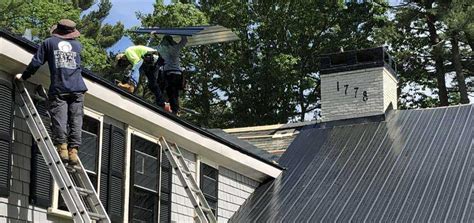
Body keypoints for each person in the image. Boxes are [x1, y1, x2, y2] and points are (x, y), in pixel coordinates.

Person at [15, 19, 86, 165]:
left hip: (60, 88)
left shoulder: (49, 43)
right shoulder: (78, 46)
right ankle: (74, 152)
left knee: (60, 118)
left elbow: (36, 62)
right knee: (76, 120)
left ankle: (63, 149)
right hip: (78, 88)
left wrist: (24, 76)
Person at [115, 45, 171, 112]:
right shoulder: (132, 55)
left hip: (150, 56)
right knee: (152, 83)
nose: (124, 65)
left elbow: (138, 62)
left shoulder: (128, 52)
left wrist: (128, 79)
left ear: (122, 58)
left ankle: (131, 86)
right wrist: (126, 78)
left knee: (137, 66)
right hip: (157, 60)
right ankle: (163, 104)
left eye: (121, 63)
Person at [155, 35, 188, 114]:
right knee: (172, 92)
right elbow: (184, 41)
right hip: (175, 74)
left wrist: (154, 36)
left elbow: (154, 47)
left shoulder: (162, 50)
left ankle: (172, 109)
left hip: (169, 74)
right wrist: (183, 34)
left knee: (169, 91)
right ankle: (174, 109)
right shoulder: (175, 48)